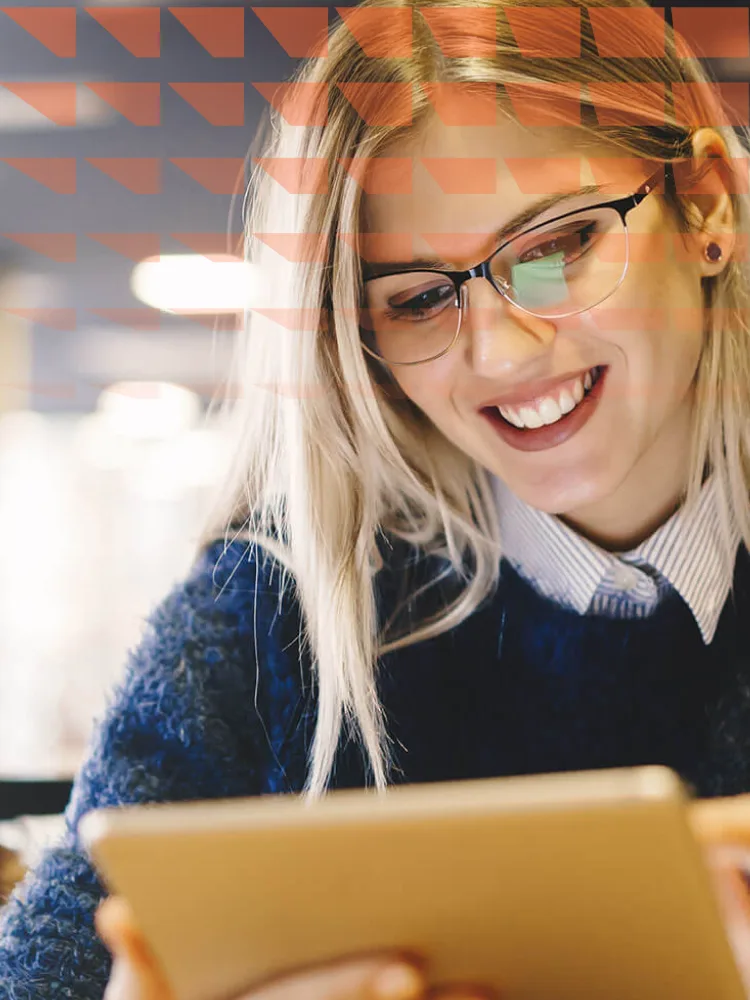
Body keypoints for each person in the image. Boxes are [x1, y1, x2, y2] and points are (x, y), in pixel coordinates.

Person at [4, 0, 750, 995]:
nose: (499, 352)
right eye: (420, 298)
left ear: (707, 205)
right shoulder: (279, 611)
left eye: (553, 248)